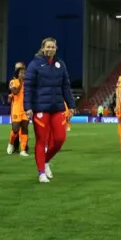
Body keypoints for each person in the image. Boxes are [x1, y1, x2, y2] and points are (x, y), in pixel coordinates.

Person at [24, 38, 76, 183]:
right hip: (40, 108)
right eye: (48, 47)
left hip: (58, 107)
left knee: (60, 139)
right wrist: (27, 107)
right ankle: (41, 172)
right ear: (43, 48)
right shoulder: (34, 64)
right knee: (41, 140)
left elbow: (66, 86)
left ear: (56, 48)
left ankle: (46, 161)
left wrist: (71, 105)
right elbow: (28, 87)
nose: (50, 49)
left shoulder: (61, 65)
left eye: (53, 47)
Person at [7, 62, 29, 157]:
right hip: (16, 109)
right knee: (15, 129)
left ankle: (23, 150)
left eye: (24, 73)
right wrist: (20, 82)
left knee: (24, 128)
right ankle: (11, 143)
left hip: (26, 109)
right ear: (17, 74)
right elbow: (15, 92)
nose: (23, 74)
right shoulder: (13, 82)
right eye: (21, 73)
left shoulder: (28, 83)